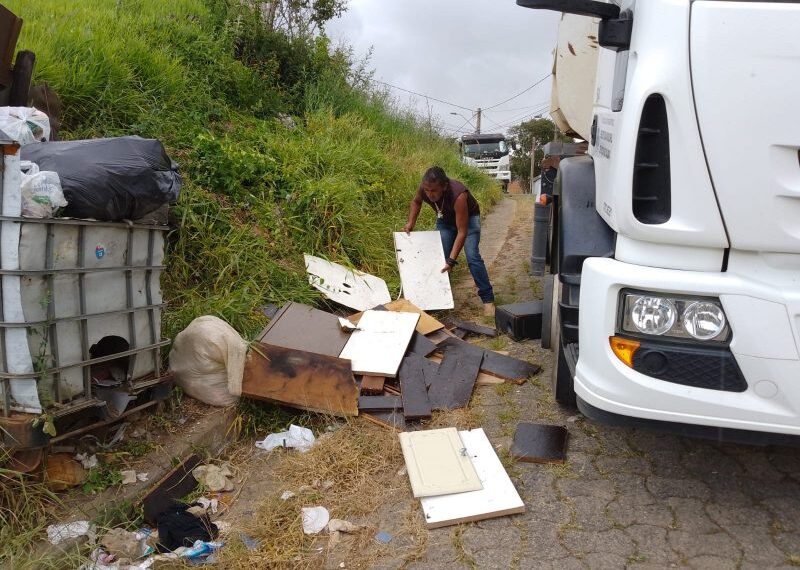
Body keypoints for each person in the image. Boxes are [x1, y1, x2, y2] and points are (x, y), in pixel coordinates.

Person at [403, 166, 495, 316]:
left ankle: (488, 301)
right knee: (439, 257)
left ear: (444, 186)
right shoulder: (424, 188)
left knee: (472, 256)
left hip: (468, 221)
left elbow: (462, 232)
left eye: (433, 191)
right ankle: (438, 300)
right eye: (427, 190)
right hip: (445, 219)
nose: (429, 194)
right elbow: (416, 202)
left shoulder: (459, 195)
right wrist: (410, 222)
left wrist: (451, 261)